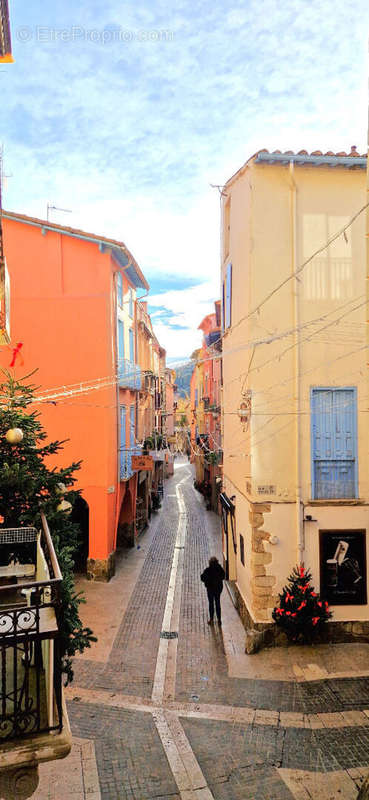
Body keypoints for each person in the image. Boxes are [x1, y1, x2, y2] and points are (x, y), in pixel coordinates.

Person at [201, 556, 225, 625]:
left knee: (211, 604)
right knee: (218, 603)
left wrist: (208, 581)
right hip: (218, 589)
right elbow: (223, 576)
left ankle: (211, 619)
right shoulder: (219, 569)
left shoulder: (208, 570)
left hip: (210, 590)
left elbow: (202, 577)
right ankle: (219, 620)